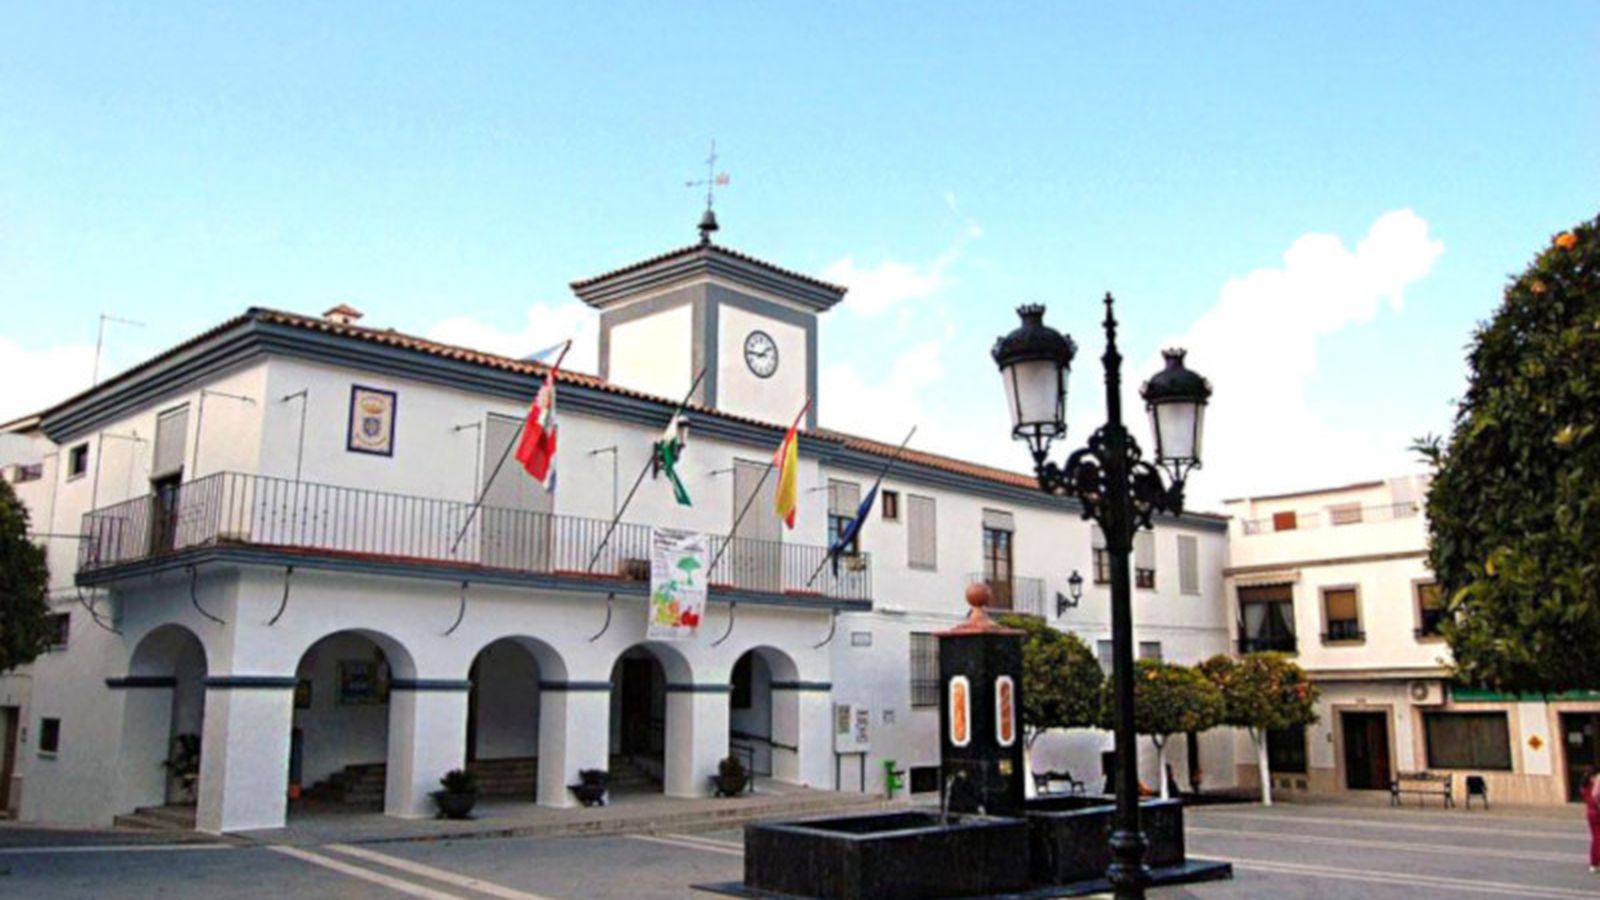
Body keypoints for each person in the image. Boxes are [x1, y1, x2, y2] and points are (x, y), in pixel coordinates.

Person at [1585, 767, 1600, 873]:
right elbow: (1595, 800)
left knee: (1595, 839)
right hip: (1596, 814)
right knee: (1598, 839)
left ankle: (1594, 863)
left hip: (1591, 814)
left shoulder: (1585, 787)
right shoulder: (1593, 788)